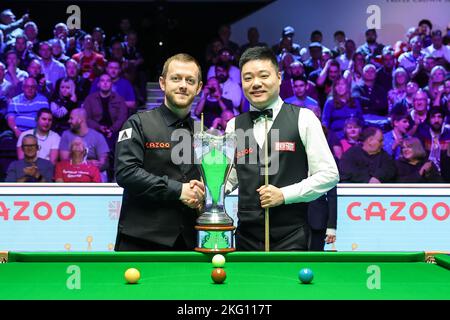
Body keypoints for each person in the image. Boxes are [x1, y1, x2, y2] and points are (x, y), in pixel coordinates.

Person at [225, 46, 339, 251]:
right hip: (246, 237)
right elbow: (231, 177)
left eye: (263, 76)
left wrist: (284, 195)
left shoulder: (304, 118)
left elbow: (329, 174)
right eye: (248, 78)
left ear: (278, 77)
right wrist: (208, 190)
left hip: (293, 235)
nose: (256, 83)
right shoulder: (233, 125)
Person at [114, 53, 206, 251]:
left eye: (190, 80)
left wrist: (202, 193)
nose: (183, 85)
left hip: (189, 242)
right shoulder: (138, 123)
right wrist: (179, 190)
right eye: (176, 78)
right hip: (140, 241)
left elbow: (203, 182)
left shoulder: (202, 133)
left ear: (198, 88)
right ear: (163, 83)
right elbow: (126, 173)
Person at [59, 108, 110, 181]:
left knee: (102, 178)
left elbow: (104, 162)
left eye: (71, 118)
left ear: (80, 120)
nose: (69, 121)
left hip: (93, 172)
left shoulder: (97, 136)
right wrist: (86, 163)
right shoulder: (66, 135)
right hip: (72, 172)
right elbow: (64, 161)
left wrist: (99, 164)